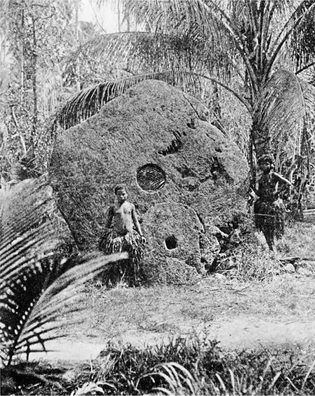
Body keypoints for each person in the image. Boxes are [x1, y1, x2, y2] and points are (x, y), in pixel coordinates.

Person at [99, 184, 146, 286]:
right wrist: (104, 235)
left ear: (127, 194)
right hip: (117, 236)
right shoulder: (113, 208)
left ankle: (131, 280)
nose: (121, 196)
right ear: (115, 195)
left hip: (129, 236)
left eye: (123, 194)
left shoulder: (131, 206)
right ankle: (115, 281)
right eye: (119, 194)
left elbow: (136, 221)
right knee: (115, 259)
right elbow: (108, 222)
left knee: (132, 257)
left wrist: (141, 235)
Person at [253, 154, 293, 253]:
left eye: (266, 164)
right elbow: (259, 193)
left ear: (271, 164)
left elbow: (287, 184)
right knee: (264, 228)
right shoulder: (261, 178)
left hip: (273, 205)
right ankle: (271, 249)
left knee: (273, 228)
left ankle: (276, 249)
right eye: (262, 164)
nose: (264, 166)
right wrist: (252, 187)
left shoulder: (274, 175)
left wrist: (278, 192)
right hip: (262, 205)